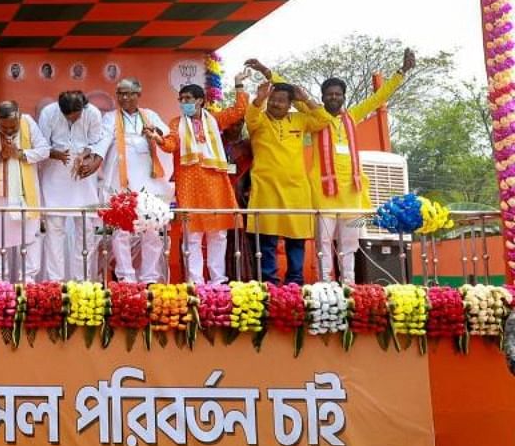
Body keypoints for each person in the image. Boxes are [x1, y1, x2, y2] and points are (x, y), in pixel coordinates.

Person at [308, 49, 416, 283]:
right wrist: (269, 74)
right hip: (324, 194)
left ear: (343, 97)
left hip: (353, 194)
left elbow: (378, 98)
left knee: (350, 241)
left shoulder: (353, 116)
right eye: (329, 95)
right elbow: (296, 96)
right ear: (323, 97)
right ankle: (325, 283)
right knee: (324, 241)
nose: (333, 98)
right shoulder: (315, 119)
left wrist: (401, 72)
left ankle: (348, 281)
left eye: (337, 94)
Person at [148, 72, 250, 285]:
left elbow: (239, 111)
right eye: (181, 99)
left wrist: (239, 84)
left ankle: (218, 280)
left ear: (200, 100)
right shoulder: (176, 123)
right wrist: (158, 139)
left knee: (218, 233)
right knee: (193, 236)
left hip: (216, 185)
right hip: (190, 184)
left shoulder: (214, 119)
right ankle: (195, 281)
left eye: (188, 99)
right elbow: (171, 144)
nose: (184, 103)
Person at [243, 63, 328, 286]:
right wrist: (258, 100)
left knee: (296, 240)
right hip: (266, 189)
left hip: (296, 190)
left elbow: (323, 120)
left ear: (290, 104)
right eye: (273, 99)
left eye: (282, 100)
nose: (276, 103)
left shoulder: (299, 120)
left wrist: (305, 99)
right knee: (267, 240)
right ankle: (269, 283)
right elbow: (250, 118)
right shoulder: (259, 120)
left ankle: (295, 283)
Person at [92, 78, 173, 283]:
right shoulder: (110, 118)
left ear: (138, 95)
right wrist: (94, 159)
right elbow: (102, 141)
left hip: (149, 181)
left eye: (129, 93)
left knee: (152, 229)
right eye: (120, 94)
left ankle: (150, 277)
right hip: (122, 181)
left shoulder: (150, 115)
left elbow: (166, 135)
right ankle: (126, 276)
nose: (124, 98)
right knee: (121, 231)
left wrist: (155, 133)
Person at [0, 101, 50, 281]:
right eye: (4, 127)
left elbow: (44, 151)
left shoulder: (29, 123)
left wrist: (21, 154)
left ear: (19, 115)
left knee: (29, 237)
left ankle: (28, 280)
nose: (8, 131)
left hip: (24, 193)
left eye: (12, 127)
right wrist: (0, 157)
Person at [37, 91, 104, 281]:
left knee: (85, 230)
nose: (72, 119)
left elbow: (97, 141)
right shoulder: (48, 113)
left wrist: (85, 154)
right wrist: (55, 154)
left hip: (83, 178)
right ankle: (55, 281)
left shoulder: (93, 113)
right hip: (55, 177)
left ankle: (81, 280)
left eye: (75, 115)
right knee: (54, 231)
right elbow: (40, 144)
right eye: (67, 116)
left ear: (83, 108)